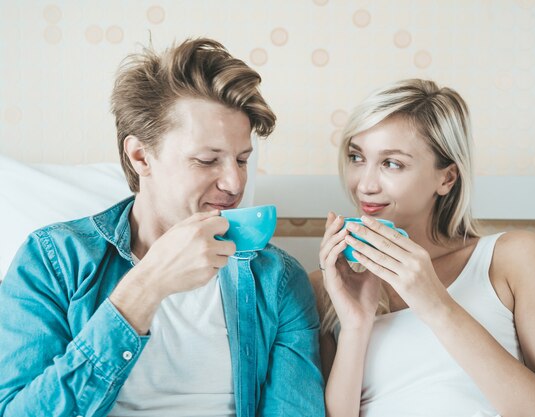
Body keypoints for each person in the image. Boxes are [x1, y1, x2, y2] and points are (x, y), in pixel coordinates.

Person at [0, 38, 324, 417]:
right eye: (207, 160)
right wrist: (146, 287)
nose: (235, 184)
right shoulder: (52, 260)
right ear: (140, 156)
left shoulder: (277, 281)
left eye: (242, 160)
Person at [311, 78, 535, 417]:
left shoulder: (511, 258)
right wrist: (355, 327)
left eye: (392, 163)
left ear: (446, 178)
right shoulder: (329, 285)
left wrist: (436, 305)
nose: (365, 185)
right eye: (357, 157)